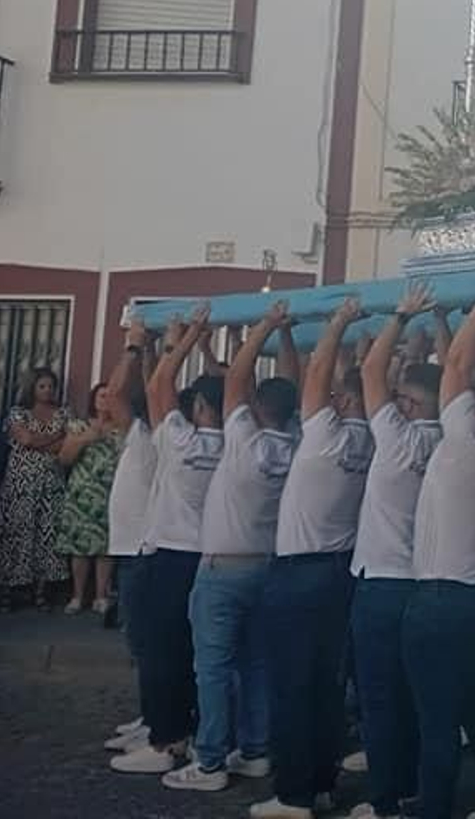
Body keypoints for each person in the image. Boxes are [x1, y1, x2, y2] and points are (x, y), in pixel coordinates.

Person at [160, 302, 299, 792]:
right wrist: (281, 339)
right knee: (256, 664)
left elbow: (237, 378)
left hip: (222, 571)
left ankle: (212, 760)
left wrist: (265, 326)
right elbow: (286, 385)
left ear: (258, 409)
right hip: (267, 568)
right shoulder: (296, 442)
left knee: (213, 669)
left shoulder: (244, 439)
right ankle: (256, 750)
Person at [252, 296, 376, 819]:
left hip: (300, 572)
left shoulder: (322, 436)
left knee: (290, 687)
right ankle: (321, 783)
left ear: (341, 401)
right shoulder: (368, 438)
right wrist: (290, 337)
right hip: (336, 573)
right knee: (325, 685)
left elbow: (317, 371)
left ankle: (294, 795)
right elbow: (316, 375)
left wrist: (338, 323)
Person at [402, 279, 475, 819]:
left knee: (435, 720)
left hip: (440, 597)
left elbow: (454, 367)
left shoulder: (468, 435)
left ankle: (432, 810)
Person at [347, 288, 447, 819]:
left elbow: (370, 375)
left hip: (383, 582)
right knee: (416, 703)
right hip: (423, 580)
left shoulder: (400, 438)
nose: (400, 405)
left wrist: (402, 316)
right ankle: (411, 792)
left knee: (381, 700)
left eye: (408, 400)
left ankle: (386, 802)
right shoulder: (453, 438)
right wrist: (422, 341)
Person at [112, 309, 220, 774]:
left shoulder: (180, 442)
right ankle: (190, 732)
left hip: (172, 556)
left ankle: (167, 742)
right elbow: (172, 388)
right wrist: (203, 348)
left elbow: (159, 386)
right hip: (207, 557)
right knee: (196, 655)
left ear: (197, 409)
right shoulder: (240, 439)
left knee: (163, 652)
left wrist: (186, 336)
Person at [101, 325, 159, 754]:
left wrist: (135, 346)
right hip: (133, 548)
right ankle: (152, 715)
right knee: (141, 641)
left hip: (142, 550)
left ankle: (159, 722)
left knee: (146, 641)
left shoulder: (150, 434)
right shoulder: (151, 432)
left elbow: (118, 393)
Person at [0, 366, 70, 608]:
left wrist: (44, 442)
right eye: (42, 386)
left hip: (51, 483)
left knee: (47, 535)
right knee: (17, 533)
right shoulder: (18, 413)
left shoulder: (62, 414)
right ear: (32, 387)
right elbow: (25, 439)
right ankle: (8, 591)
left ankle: (41, 593)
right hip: (21, 483)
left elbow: (64, 447)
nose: (47, 390)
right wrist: (54, 437)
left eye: (51, 386)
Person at [55, 382, 122, 614]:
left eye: (109, 396)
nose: (105, 400)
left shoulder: (122, 427)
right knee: (80, 547)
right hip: (81, 493)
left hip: (110, 492)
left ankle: (101, 596)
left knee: (106, 547)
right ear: (93, 400)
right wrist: (85, 439)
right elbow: (64, 459)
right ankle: (77, 596)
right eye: (101, 396)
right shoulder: (78, 426)